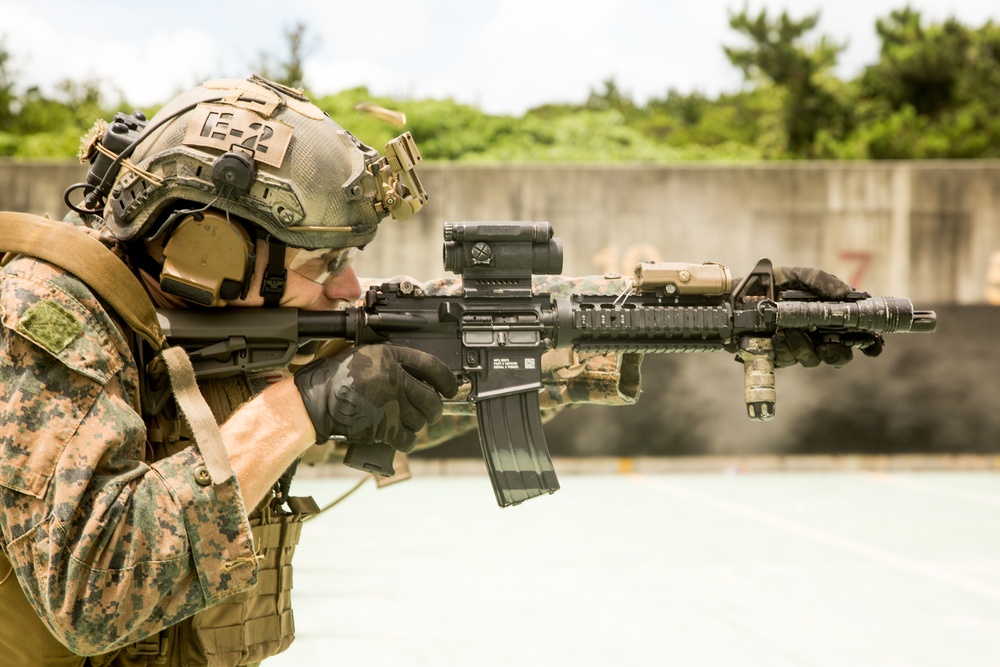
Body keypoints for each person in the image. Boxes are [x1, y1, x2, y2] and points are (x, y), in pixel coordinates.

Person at [0, 75, 860, 666]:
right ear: (209, 249)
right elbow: (92, 583)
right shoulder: (41, 322)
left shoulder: (223, 314)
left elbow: (449, 344)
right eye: (322, 261)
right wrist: (298, 410)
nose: (346, 287)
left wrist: (718, 311)